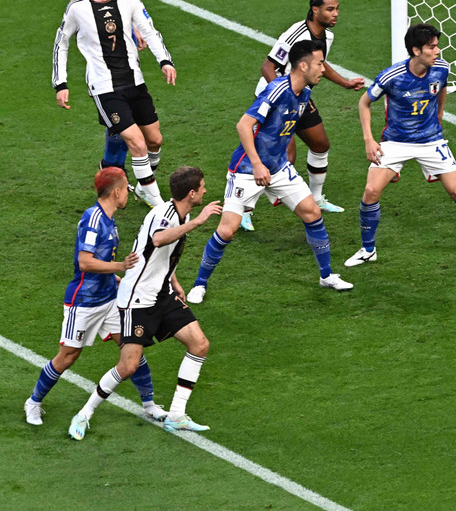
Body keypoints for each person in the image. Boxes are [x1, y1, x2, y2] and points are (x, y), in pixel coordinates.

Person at [185, 40, 352, 304]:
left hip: (278, 168)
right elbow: (244, 125)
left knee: (312, 212)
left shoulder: (304, 94)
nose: (323, 69)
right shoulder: (276, 90)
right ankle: (199, 284)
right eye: (320, 63)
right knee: (227, 231)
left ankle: (326, 275)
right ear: (303, 65)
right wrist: (257, 164)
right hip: (246, 170)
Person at [68, 166, 223, 440]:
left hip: (162, 294)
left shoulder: (180, 214)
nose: (205, 191)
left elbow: (156, 254)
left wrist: (174, 281)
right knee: (128, 366)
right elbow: (158, 239)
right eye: (202, 187)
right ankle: (84, 413)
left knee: (200, 344)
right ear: (191, 193)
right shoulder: (166, 215)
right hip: (138, 299)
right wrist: (198, 222)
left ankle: (176, 415)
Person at [24, 168, 168, 427]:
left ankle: (149, 404)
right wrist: (120, 266)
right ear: (116, 192)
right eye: (127, 189)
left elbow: (102, 260)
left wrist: (117, 278)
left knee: (132, 347)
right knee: (68, 356)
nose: (129, 194)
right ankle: (34, 402)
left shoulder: (109, 219)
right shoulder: (93, 219)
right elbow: (85, 262)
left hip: (109, 299)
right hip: (84, 301)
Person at [344, 23, 456, 267]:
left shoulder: (441, 69)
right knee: (371, 192)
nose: (437, 51)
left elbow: (442, 88)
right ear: (416, 50)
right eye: (431, 47)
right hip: (396, 142)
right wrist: (369, 140)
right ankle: (367, 250)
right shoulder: (392, 76)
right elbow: (364, 102)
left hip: (431, 141)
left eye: (437, 46)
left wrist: (440, 115)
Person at [53, 0, 176, 208]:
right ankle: (158, 203)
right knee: (137, 143)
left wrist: (165, 61)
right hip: (105, 88)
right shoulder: (78, 9)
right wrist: (61, 83)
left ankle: (143, 185)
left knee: (154, 140)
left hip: (135, 81)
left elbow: (149, 32)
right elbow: (61, 43)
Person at [240, 0, 365, 231]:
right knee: (282, 157)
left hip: (300, 98)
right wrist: (282, 96)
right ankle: (244, 210)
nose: (336, 14)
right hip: (274, 99)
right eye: (330, 9)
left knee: (320, 144)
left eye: (337, 9)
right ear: (315, 10)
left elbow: (321, 64)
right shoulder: (295, 33)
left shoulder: (327, 37)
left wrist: (345, 82)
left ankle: (316, 198)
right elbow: (268, 67)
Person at [70, 0, 146, 179]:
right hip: (106, 59)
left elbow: (121, 1)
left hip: (126, 53)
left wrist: (134, 27)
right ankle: (113, 174)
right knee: (122, 119)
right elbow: (74, 9)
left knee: (125, 117)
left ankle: (114, 172)